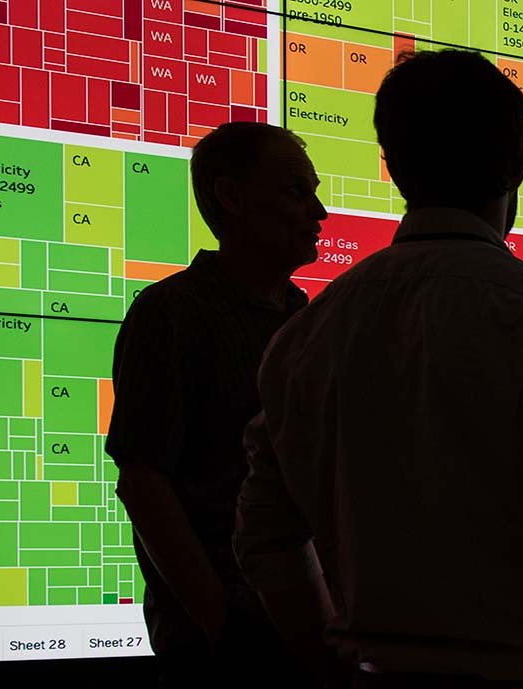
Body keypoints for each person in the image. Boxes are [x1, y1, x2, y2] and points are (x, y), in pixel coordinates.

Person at [233, 49, 523, 689]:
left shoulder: (306, 337)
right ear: (518, 163)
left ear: (392, 166)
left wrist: (334, 670)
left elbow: (265, 540)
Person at [106, 121, 326, 687]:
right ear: (231, 198)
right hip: (225, 644)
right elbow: (144, 481)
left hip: (308, 630)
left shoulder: (307, 324)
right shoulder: (171, 314)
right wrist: (220, 621)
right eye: (297, 192)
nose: (318, 212)